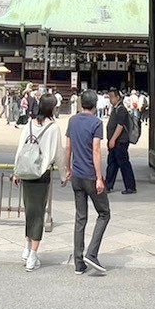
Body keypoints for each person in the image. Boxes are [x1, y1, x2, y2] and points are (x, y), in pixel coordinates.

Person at [12, 93, 62, 273]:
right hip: (41, 173)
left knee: (30, 211)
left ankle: (27, 247)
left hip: (26, 172)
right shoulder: (53, 128)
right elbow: (58, 154)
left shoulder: (29, 124)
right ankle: (33, 254)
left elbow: (20, 149)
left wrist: (16, 171)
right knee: (38, 213)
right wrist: (64, 174)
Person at [64, 89, 110, 274]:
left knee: (80, 217)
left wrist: (68, 169)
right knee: (104, 213)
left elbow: (68, 147)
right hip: (91, 175)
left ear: (81, 103)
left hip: (76, 175)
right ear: (95, 105)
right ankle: (91, 253)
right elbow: (96, 150)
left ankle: (78, 262)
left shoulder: (72, 121)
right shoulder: (97, 123)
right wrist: (99, 178)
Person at [103, 88, 136, 194]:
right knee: (112, 163)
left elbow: (120, 126)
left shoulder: (121, 109)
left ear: (118, 97)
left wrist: (113, 139)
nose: (111, 99)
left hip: (120, 141)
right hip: (115, 142)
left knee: (123, 163)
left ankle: (130, 186)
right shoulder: (115, 109)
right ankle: (108, 185)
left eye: (112, 97)